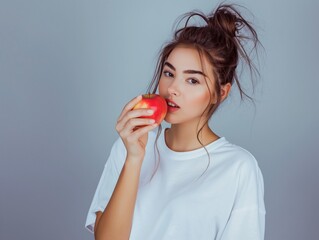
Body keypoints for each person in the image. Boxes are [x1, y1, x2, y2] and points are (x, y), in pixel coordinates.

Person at [85, 3, 266, 240]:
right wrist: (134, 158)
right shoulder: (131, 144)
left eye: (192, 81)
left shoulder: (238, 168)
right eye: (169, 74)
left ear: (221, 92)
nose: (173, 89)